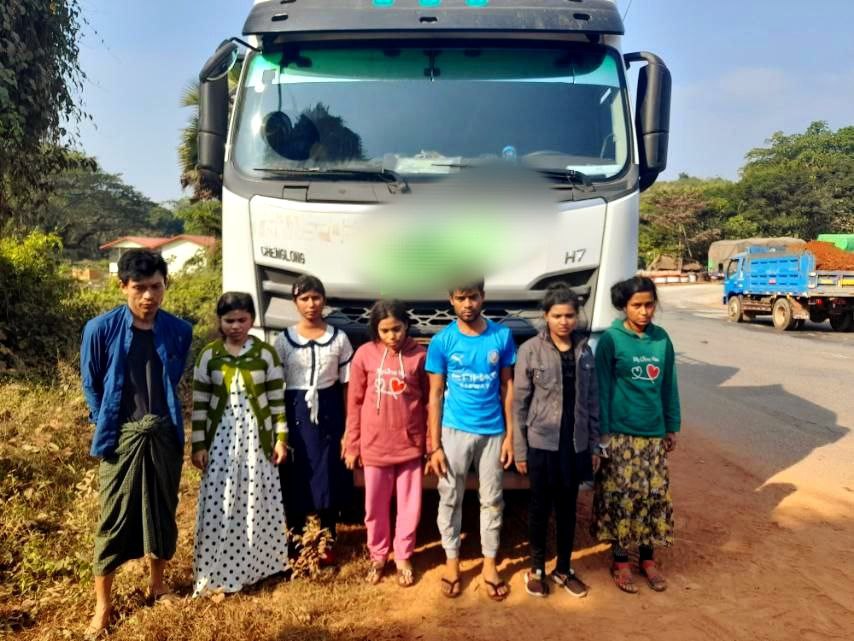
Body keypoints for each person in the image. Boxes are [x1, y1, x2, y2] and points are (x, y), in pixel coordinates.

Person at [80, 249, 192, 636]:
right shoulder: (100, 329)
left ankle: (157, 585)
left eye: (156, 287)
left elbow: (171, 380)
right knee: (113, 519)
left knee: (163, 511)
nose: (148, 296)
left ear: (165, 285)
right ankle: (103, 605)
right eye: (139, 288)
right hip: (121, 438)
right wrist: (107, 424)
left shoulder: (179, 330)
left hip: (163, 435)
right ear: (122, 286)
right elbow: (91, 384)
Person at [191, 292, 289, 596]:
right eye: (229, 320)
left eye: (242, 320)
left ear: (252, 320)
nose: (235, 326)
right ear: (220, 321)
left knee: (255, 497)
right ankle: (219, 569)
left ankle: (259, 567)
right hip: (221, 439)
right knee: (220, 499)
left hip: (256, 439)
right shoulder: (209, 355)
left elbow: (276, 401)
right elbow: (200, 403)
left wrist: (281, 439)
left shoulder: (265, 354)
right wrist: (198, 444)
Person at [425, 279, 516, 601]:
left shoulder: (501, 337)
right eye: (461, 298)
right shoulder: (442, 341)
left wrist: (510, 436)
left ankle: (489, 564)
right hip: (453, 431)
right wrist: (434, 446)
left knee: (492, 499)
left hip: (493, 432)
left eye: (473, 297)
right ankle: (452, 562)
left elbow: (507, 389)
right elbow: (435, 395)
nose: (468, 304)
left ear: (483, 297)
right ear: (451, 299)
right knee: (450, 497)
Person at [592, 276, 681, 594]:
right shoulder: (611, 340)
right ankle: (620, 561)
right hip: (620, 435)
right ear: (623, 306)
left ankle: (647, 559)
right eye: (637, 305)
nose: (644, 312)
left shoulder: (661, 340)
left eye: (649, 305)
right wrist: (602, 436)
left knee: (652, 497)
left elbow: (669, 385)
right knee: (622, 498)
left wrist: (671, 425)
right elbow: (601, 390)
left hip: (653, 435)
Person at [513, 284, 600, 598]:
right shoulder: (530, 351)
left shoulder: (585, 351)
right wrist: (520, 450)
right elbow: (519, 404)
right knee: (539, 506)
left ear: (577, 316)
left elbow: (592, 401)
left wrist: (594, 444)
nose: (564, 321)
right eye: (557, 315)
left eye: (570, 315)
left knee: (567, 508)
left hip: (574, 445)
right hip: (541, 444)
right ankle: (536, 569)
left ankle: (564, 568)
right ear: (546, 316)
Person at [344, 300, 428, 587]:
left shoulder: (419, 356)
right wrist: (352, 444)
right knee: (374, 507)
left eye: (397, 329)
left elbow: (430, 403)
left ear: (407, 325)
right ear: (375, 330)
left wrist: (430, 444)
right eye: (385, 330)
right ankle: (378, 555)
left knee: (409, 506)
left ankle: (403, 556)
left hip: (410, 445)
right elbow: (354, 402)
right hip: (375, 445)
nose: (392, 336)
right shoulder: (364, 355)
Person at [274, 275, 353, 565]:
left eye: (316, 298)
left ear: (324, 300)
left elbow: (347, 385)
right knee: (296, 472)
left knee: (327, 472)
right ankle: (295, 539)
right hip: (294, 410)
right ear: (295, 302)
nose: (311, 304)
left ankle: (327, 537)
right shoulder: (284, 340)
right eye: (304, 299)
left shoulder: (338, 338)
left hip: (329, 410)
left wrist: (348, 426)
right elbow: (275, 384)